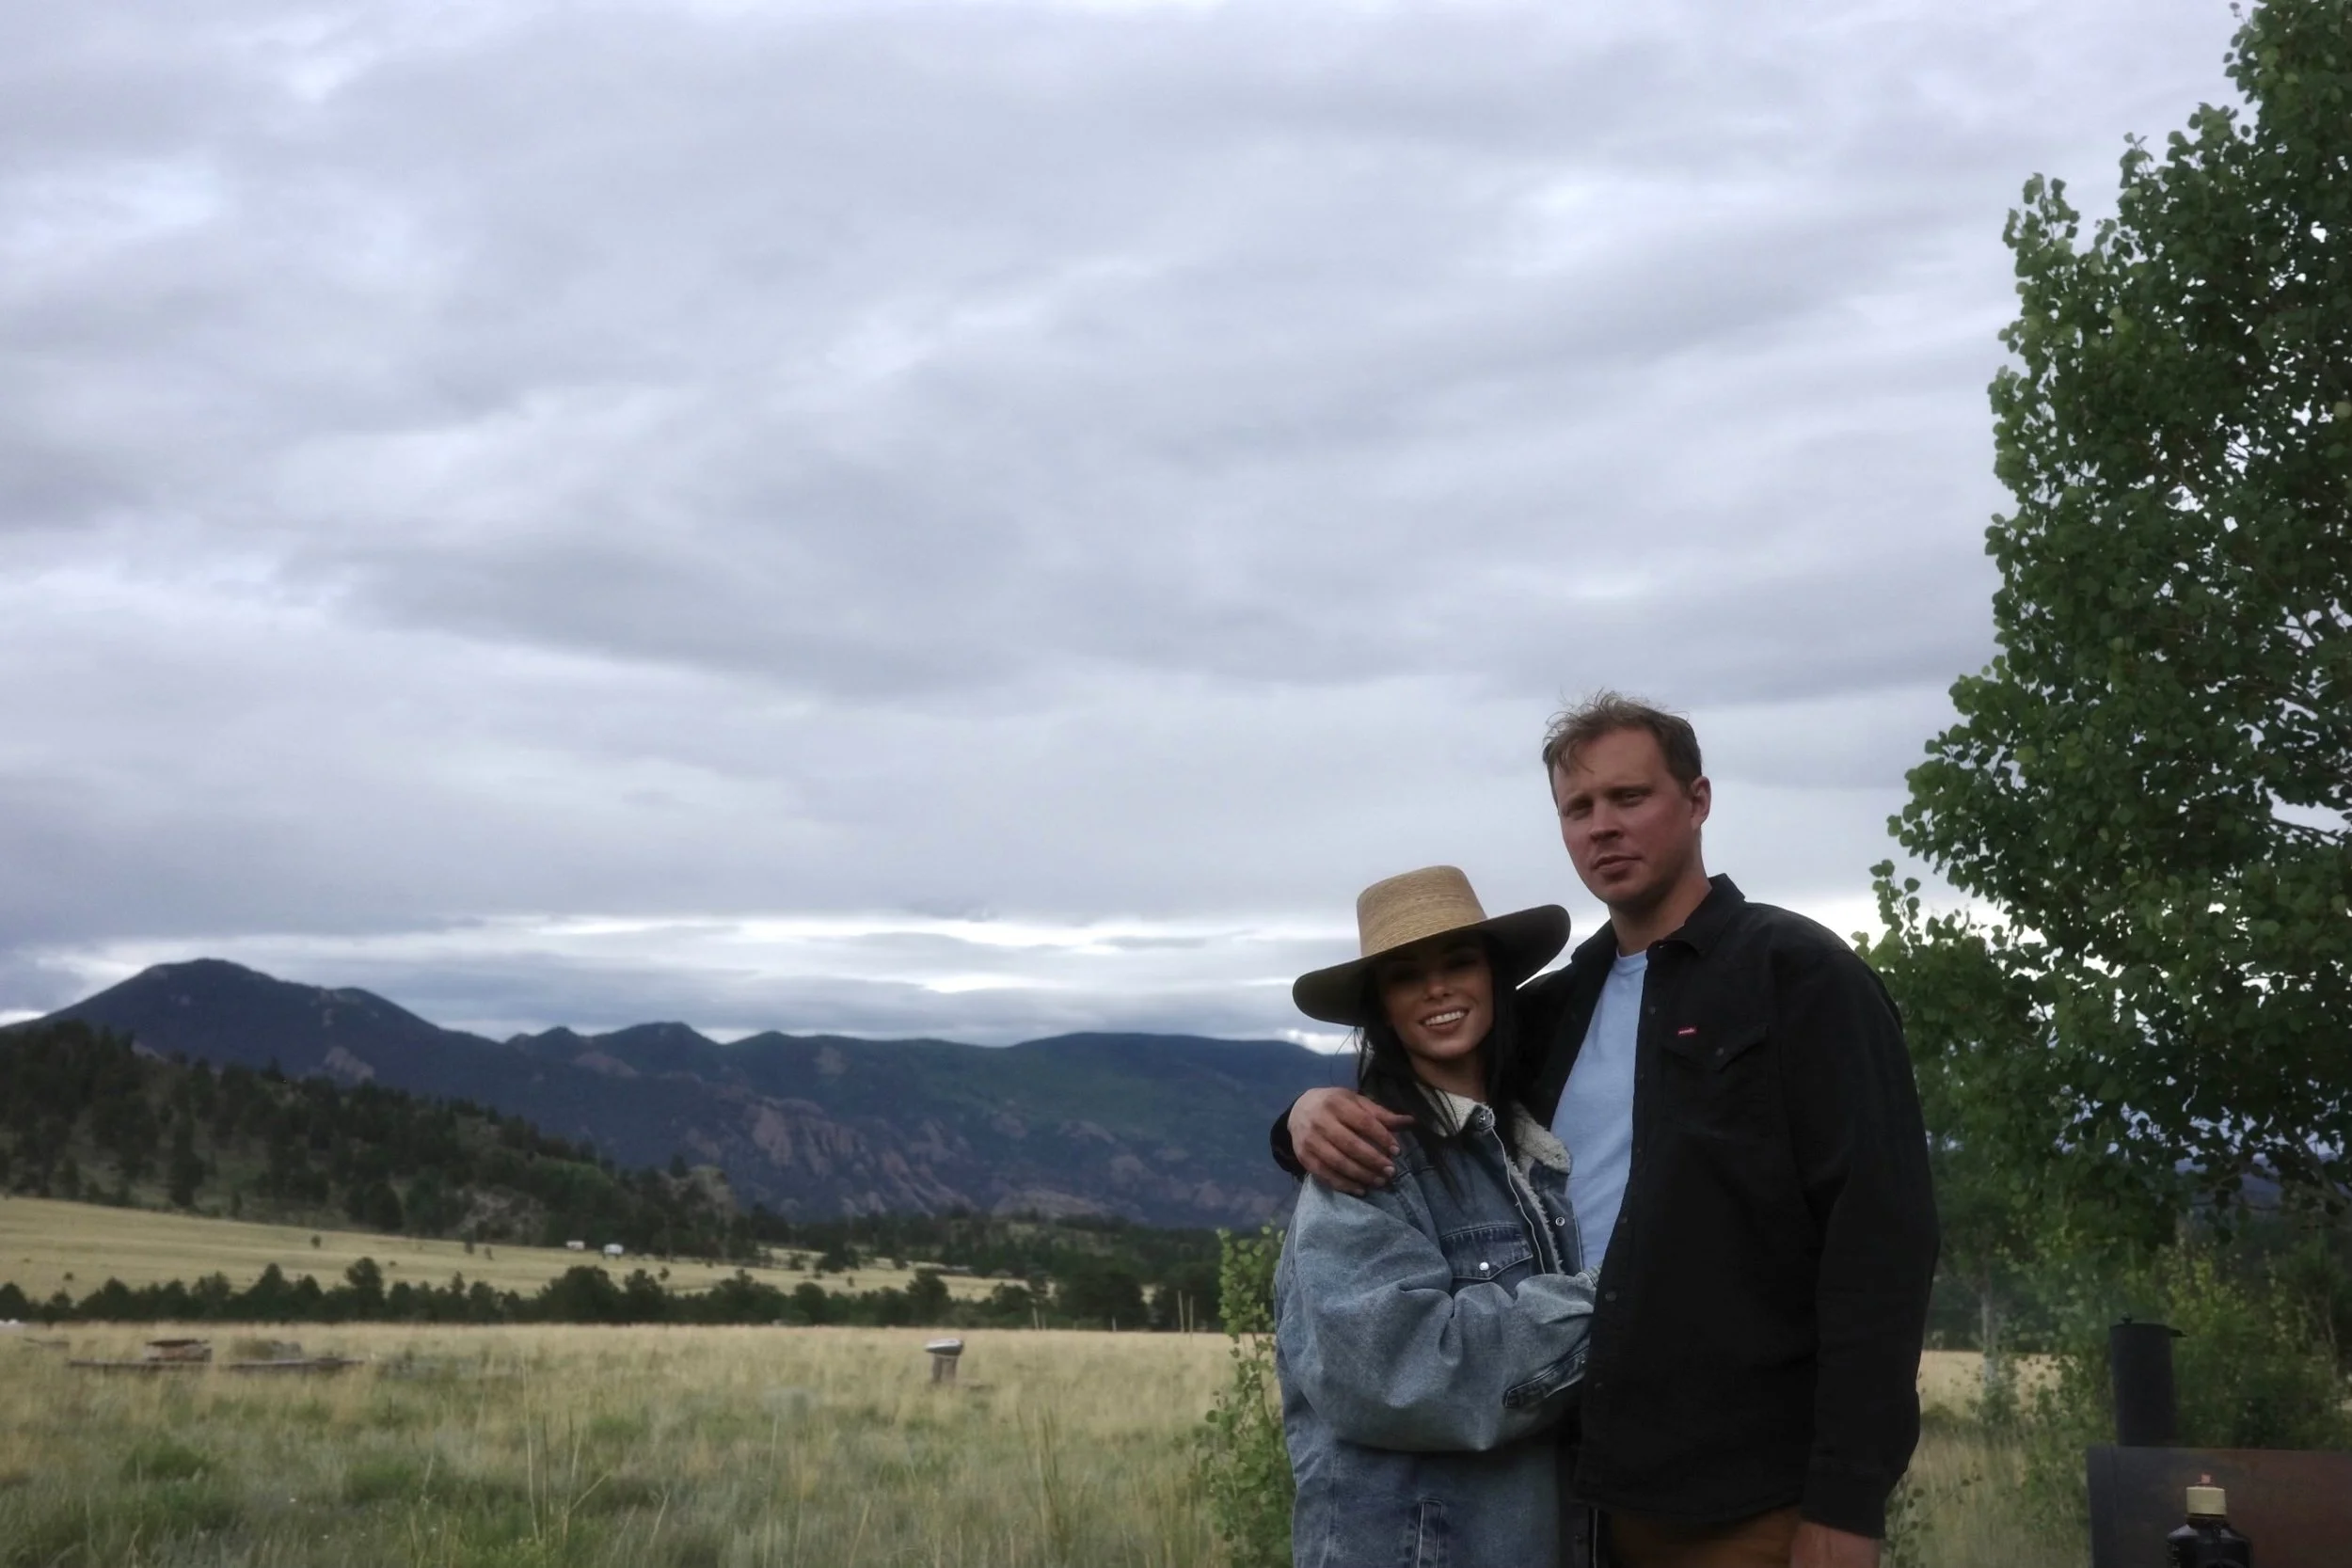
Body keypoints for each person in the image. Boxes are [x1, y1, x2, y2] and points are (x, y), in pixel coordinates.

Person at [1275, 694, 1939, 1568]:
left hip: (1743, 1496)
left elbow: (1879, 1242)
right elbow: (1435, 1098)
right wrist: (1298, 1120)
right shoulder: (1553, 1009)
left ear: (1697, 800)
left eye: (1630, 797)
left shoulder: (1798, 977)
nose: (1604, 827)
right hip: (1572, 1499)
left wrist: (1847, 1500)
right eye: (1578, 809)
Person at [1276, 863, 1602, 1568]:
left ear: (1494, 978)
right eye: (1404, 975)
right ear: (1381, 1008)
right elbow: (1400, 1371)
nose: (1437, 988)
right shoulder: (1366, 1162)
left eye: (1459, 961)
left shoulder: (1528, 1155)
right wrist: (1612, 1299)